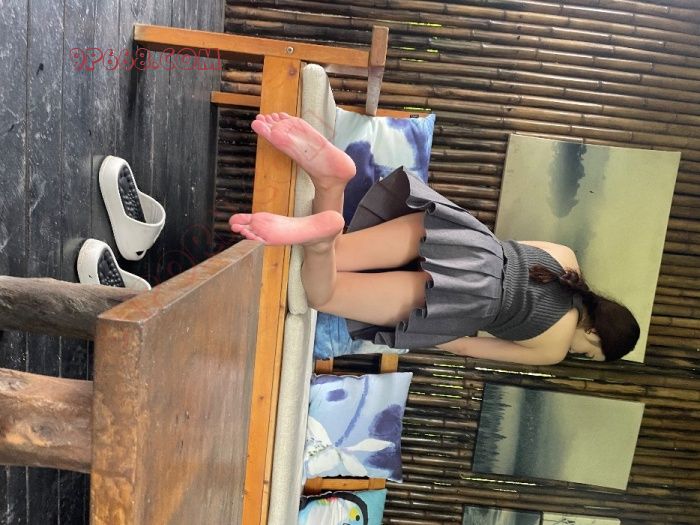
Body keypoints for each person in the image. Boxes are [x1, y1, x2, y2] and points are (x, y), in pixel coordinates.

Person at [230, 113, 640, 365]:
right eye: (588, 352)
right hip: (466, 299)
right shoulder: (553, 350)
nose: (578, 353)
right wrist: (425, 331)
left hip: (467, 241)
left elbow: (511, 256)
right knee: (324, 294)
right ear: (594, 333)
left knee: (341, 254)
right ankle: (320, 239)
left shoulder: (566, 259)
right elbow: (464, 347)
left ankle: (332, 179)